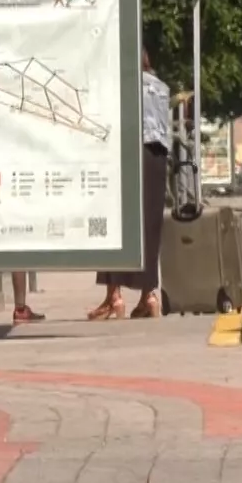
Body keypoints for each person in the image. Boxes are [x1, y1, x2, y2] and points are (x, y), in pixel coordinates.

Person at [90, 51, 172, 320]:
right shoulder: (161, 87)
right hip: (158, 158)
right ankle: (149, 296)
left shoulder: (121, 83)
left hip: (130, 155)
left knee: (116, 225)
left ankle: (114, 297)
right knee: (149, 227)